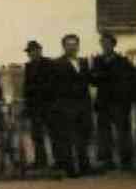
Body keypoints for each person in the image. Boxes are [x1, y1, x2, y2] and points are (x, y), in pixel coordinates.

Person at [91, 32, 136, 172]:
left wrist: (127, 98)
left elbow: (132, 79)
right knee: (104, 132)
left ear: (113, 44)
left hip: (119, 102)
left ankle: (126, 160)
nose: (105, 46)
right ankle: (107, 160)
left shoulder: (123, 61)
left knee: (123, 131)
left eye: (108, 43)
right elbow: (92, 80)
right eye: (102, 43)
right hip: (103, 102)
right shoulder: (97, 61)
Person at [50, 34, 95, 178]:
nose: (72, 47)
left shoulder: (83, 62)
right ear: (63, 47)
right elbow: (54, 87)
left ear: (78, 46)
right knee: (68, 139)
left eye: (74, 44)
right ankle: (70, 169)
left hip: (83, 106)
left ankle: (84, 166)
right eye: (69, 44)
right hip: (67, 106)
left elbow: (88, 82)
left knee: (83, 137)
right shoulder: (57, 63)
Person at [22, 40, 56, 169]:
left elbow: (53, 85)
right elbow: (27, 87)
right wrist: (27, 105)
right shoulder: (28, 66)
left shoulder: (49, 64)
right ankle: (41, 161)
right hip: (34, 107)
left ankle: (58, 161)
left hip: (48, 106)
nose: (31, 54)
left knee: (53, 135)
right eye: (29, 52)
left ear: (40, 51)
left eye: (34, 51)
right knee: (36, 135)